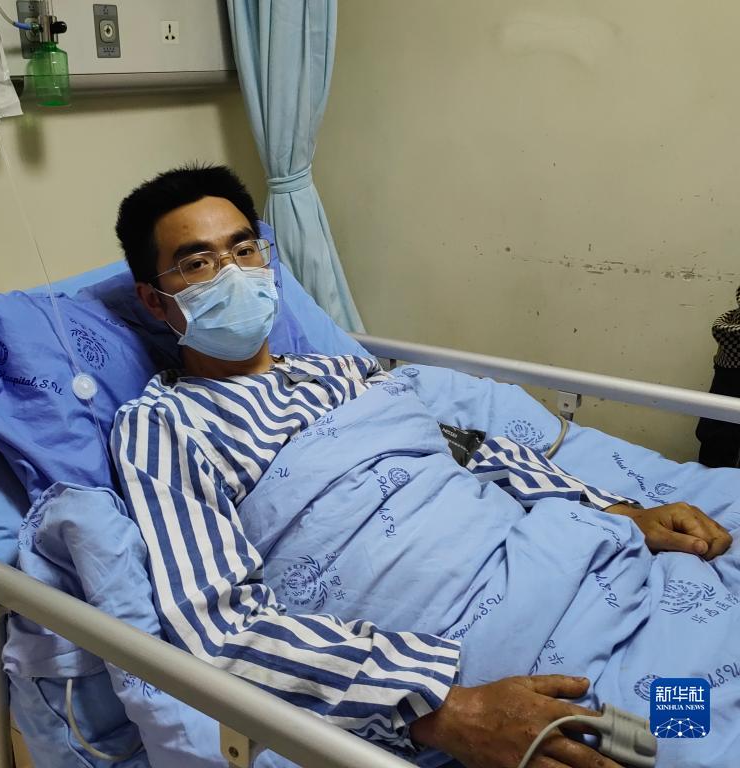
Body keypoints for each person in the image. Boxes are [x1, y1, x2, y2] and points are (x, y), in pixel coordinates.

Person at [110, 164, 733, 767]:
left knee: (713, 646)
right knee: (686, 736)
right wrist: (444, 707)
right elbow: (221, 628)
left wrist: (616, 510)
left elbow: (470, 450)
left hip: (583, 568)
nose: (233, 274)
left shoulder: (347, 371)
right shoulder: (165, 426)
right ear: (154, 301)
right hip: (505, 660)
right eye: (198, 263)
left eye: (245, 250)